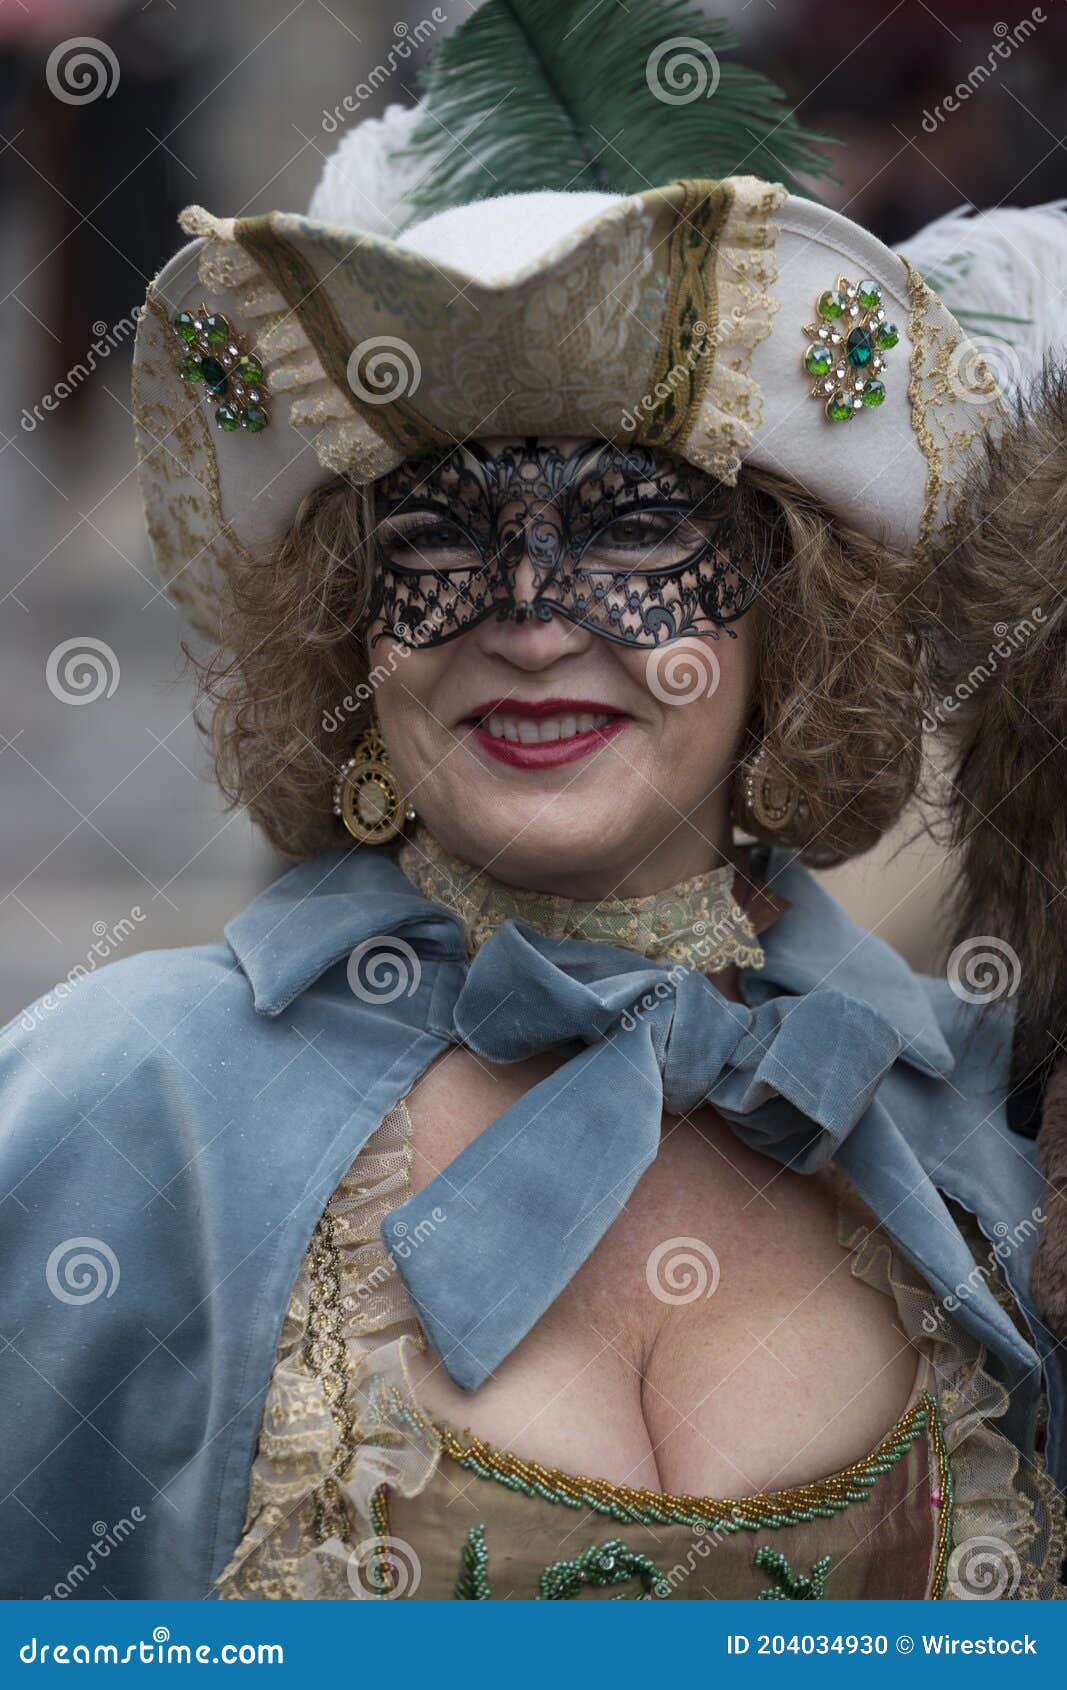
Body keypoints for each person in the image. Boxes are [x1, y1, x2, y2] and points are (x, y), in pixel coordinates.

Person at [1, 1, 1062, 1602]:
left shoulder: (986, 1129)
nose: (530, 611)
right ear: (348, 623)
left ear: (787, 607)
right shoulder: (114, 1113)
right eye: (438, 533)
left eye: (630, 522)